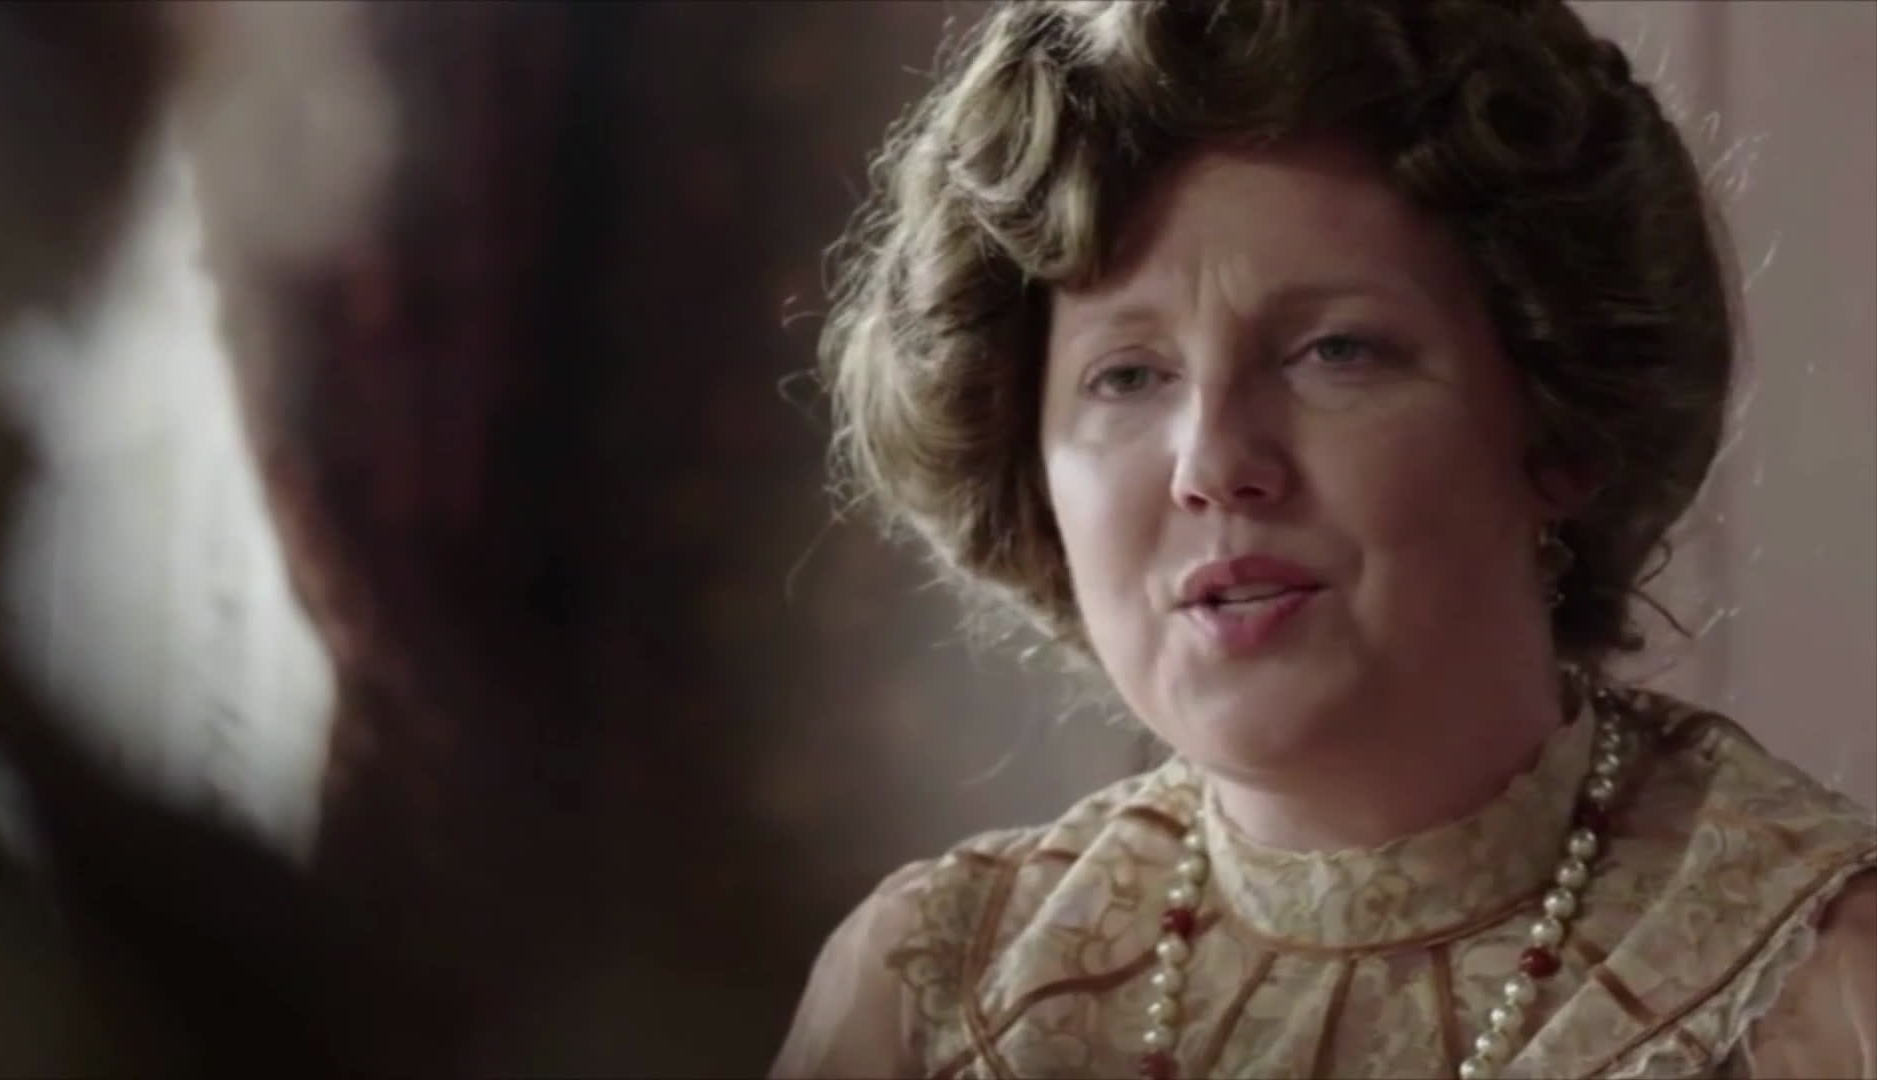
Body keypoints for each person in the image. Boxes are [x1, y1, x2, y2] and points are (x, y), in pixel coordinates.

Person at [772, 1, 1876, 1077]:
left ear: (1559, 427)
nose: (1213, 463)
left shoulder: (1817, 980)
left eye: (1335, 352)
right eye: (1129, 375)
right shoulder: (926, 995)